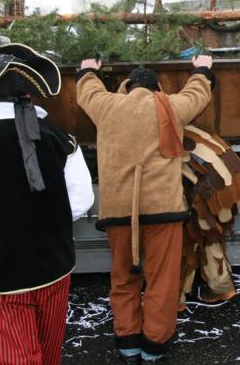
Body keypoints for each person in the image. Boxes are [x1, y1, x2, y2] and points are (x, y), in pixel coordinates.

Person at [0, 43, 94, 364]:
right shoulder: (60, 138)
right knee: (49, 355)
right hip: (56, 270)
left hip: (4, 278)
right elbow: (81, 200)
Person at [76, 55, 215, 364]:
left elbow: (88, 92)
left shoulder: (109, 106)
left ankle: (127, 344)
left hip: (118, 213)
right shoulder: (169, 106)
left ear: (127, 88)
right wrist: (202, 69)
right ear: (157, 88)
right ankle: (153, 347)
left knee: (123, 278)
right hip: (162, 212)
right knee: (162, 281)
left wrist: (88, 70)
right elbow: (197, 94)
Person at [178, 125, 240, 312]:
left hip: (207, 198)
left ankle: (177, 298)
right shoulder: (192, 132)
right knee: (209, 238)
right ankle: (223, 288)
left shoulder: (166, 140)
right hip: (229, 192)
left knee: (184, 246)